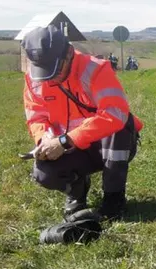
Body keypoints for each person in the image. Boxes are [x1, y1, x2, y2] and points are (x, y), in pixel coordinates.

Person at [22, 25, 143, 221]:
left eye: (55, 68)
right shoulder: (34, 78)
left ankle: (114, 198)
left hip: (105, 144)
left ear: (69, 53)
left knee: (119, 129)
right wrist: (44, 140)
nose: (50, 77)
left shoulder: (95, 69)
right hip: (71, 146)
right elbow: (36, 115)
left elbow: (115, 112)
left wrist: (64, 141)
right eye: (44, 70)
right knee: (43, 173)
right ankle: (76, 192)